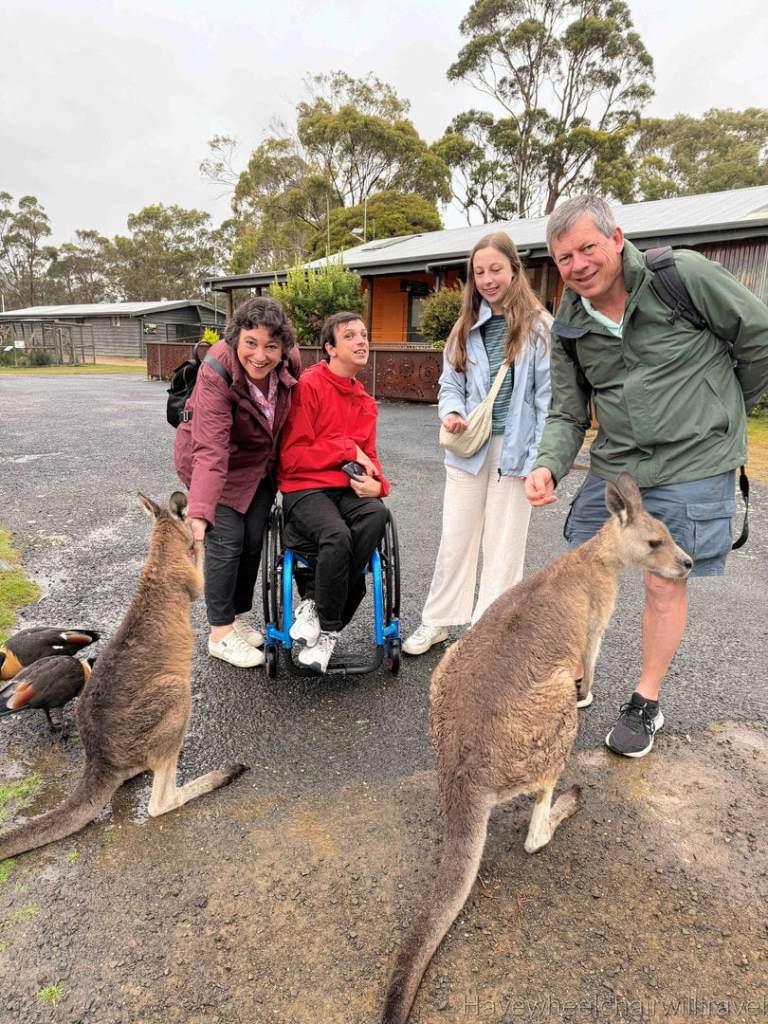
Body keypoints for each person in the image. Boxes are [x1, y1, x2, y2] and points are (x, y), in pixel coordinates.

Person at [525, 194, 768, 757]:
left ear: (616, 238)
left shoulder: (679, 276)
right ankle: (580, 674)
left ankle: (645, 700)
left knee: (663, 578)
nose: (578, 264)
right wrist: (547, 463)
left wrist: (727, 405)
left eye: (587, 247)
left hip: (693, 459)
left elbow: (758, 333)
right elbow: (567, 409)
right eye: (564, 258)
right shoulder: (568, 317)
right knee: (584, 568)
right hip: (621, 461)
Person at [403, 232, 552, 656]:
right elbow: (450, 382)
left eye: (495, 269)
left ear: (514, 270)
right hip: (469, 447)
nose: (487, 279)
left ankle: (489, 631)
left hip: (516, 448)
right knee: (455, 537)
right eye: (479, 272)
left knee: (504, 545)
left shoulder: (540, 328)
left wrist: (542, 458)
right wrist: (450, 411)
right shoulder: (465, 326)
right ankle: (438, 619)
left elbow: (547, 399)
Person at [174, 296, 301, 668]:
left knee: (252, 540)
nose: (260, 355)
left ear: (283, 347)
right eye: (251, 343)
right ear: (236, 339)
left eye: (270, 346)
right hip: (213, 463)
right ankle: (219, 634)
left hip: (258, 464)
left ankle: (237, 617)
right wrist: (199, 513)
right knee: (226, 541)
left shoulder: (289, 362)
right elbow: (211, 449)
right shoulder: (216, 371)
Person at [276, 311, 390, 673]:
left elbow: (370, 459)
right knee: (337, 536)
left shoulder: (365, 403)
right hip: (305, 488)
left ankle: (317, 610)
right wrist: (344, 448)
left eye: (364, 334)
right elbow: (292, 458)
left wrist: (379, 485)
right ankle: (329, 625)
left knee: (377, 513)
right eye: (350, 336)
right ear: (330, 348)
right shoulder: (308, 387)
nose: (361, 341)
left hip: (346, 492)